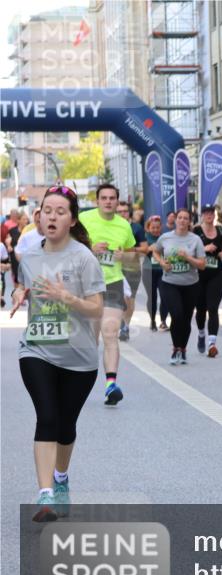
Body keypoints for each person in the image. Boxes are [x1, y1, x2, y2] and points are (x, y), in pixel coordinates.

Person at [11, 186, 105, 522]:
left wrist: (68, 298)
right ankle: (45, 493)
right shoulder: (30, 256)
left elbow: (96, 309)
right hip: (36, 350)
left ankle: (61, 478)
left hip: (79, 356)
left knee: (66, 426)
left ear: (72, 219)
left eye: (59, 211)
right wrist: (22, 293)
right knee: (47, 416)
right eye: (46, 210)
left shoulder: (83, 258)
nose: (51, 216)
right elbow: (25, 285)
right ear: (39, 216)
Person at [79, 184, 137, 406]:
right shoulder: (84, 219)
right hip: (86, 285)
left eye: (112, 198)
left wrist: (125, 256)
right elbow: (68, 245)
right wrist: (90, 249)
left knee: (110, 334)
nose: (108, 201)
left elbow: (133, 255)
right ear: (97, 201)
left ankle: (111, 384)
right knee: (90, 339)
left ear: (117, 201)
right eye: (104, 198)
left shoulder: (124, 225)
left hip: (112, 282)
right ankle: (79, 382)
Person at [151, 208, 206, 364]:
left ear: (189, 221)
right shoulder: (165, 237)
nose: (182, 220)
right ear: (175, 220)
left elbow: (202, 265)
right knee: (177, 315)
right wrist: (162, 262)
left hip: (191, 284)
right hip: (170, 282)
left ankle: (183, 349)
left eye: (185, 218)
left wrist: (188, 257)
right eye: (180, 218)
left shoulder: (195, 240)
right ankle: (175, 349)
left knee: (186, 319)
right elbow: (155, 252)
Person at [194, 205, 222, 357]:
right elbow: (189, 250)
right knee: (201, 309)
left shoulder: (221, 231)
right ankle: (201, 333)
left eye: (211, 213)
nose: (209, 215)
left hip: (216, 274)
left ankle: (212, 343)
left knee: (213, 308)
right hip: (199, 275)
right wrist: (204, 249)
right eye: (206, 213)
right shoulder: (195, 232)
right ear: (202, 215)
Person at [118, 202, 147, 341]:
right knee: (118, 299)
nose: (122, 214)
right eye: (119, 211)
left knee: (130, 299)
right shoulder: (112, 227)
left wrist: (131, 249)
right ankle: (121, 322)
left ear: (129, 213)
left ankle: (126, 326)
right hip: (115, 268)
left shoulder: (136, 228)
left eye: (124, 211)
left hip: (132, 268)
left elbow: (145, 248)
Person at [141, 215, 169, 331]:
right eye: (153, 227)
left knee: (165, 296)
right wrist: (148, 249)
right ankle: (152, 320)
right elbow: (140, 251)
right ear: (148, 228)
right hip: (149, 271)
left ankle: (163, 321)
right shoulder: (145, 238)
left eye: (158, 227)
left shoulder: (165, 238)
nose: (156, 230)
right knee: (152, 297)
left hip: (162, 271)